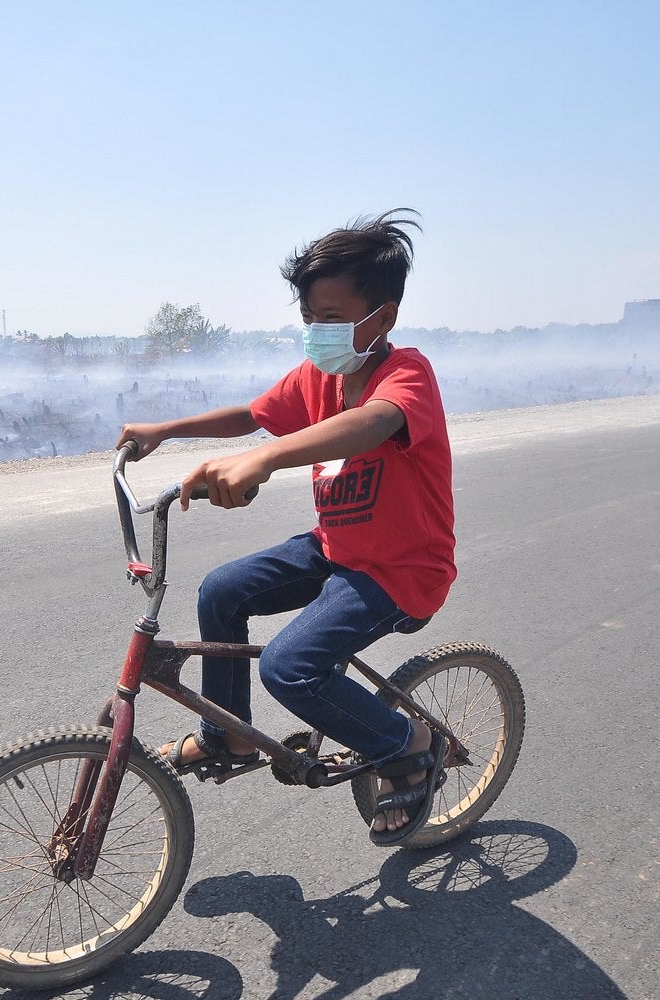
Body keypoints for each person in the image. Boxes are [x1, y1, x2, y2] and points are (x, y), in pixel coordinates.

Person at [116, 209, 457, 846]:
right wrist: (165, 431)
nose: (315, 332)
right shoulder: (317, 377)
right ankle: (232, 734)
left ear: (380, 318)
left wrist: (269, 457)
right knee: (222, 591)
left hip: (400, 570)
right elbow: (253, 414)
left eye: (330, 317)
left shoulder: (406, 376)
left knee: (289, 667)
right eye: (309, 318)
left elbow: (375, 423)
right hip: (337, 551)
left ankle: (406, 745)